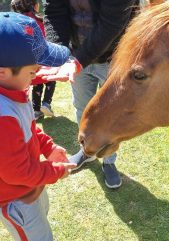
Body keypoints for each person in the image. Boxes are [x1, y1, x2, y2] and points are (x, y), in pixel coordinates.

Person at [0, 12, 76, 241]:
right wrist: (55, 170)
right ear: (2, 71)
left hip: (26, 189)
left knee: (29, 233)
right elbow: (17, 173)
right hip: (14, 199)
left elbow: (28, 127)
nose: (36, 77)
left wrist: (49, 147)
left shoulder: (4, 86)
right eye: (33, 72)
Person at [37, 0, 140, 189]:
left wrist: (77, 61)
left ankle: (109, 160)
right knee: (82, 108)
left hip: (113, 58)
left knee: (111, 113)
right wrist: (60, 52)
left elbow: (111, 24)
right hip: (76, 55)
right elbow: (54, 11)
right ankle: (87, 152)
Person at [11, 0, 56, 120]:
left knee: (36, 83)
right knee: (50, 79)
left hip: (26, 61)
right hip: (42, 58)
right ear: (35, 5)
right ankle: (46, 103)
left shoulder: (14, 22)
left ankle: (36, 110)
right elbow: (48, 37)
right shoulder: (40, 20)